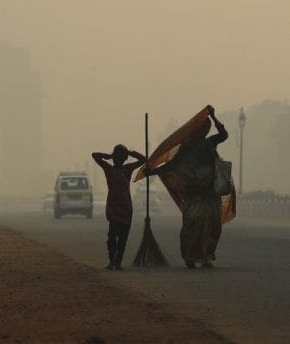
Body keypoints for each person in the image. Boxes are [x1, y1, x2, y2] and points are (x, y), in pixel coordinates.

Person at [146, 105, 228, 268]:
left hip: (210, 192)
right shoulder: (186, 148)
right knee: (191, 223)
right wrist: (152, 171)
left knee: (212, 223)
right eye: (203, 128)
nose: (205, 130)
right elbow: (171, 165)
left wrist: (213, 116)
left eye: (207, 127)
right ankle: (190, 256)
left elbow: (224, 135)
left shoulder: (210, 142)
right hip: (195, 192)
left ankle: (206, 256)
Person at [92, 145, 146, 270]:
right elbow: (94, 155)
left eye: (121, 158)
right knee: (112, 237)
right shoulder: (108, 168)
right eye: (117, 158)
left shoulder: (128, 169)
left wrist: (130, 152)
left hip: (126, 208)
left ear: (124, 159)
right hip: (113, 207)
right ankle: (112, 261)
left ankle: (118, 262)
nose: (118, 160)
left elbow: (144, 160)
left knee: (122, 238)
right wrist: (109, 156)